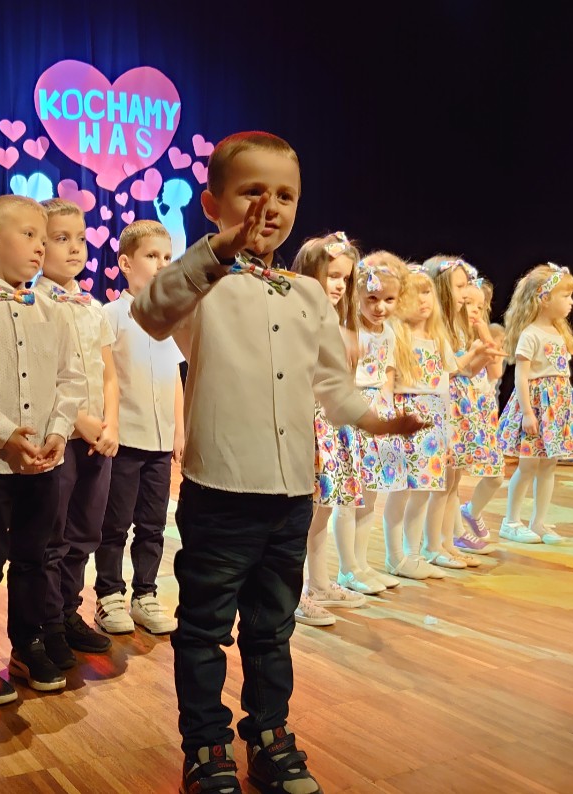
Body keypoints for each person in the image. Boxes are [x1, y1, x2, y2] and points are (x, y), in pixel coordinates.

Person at [131, 131, 423, 794]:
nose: (270, 206)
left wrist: (378, 420)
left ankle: (268, 736)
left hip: (291, 492)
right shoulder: (200, 283)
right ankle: (205, 747)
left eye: (285, 195)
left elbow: (333, 385)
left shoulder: (308, 295)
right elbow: (150, 312)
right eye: (252, 191)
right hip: (221, 491)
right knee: (204, 629)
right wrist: (218, 251)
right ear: (213, 203)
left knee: (272, 628)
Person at [0, 194, 84, 704]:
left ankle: (29, 643)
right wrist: (6, 434)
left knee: (33, 559)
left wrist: (58, 431)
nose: (40, 246)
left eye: (43, 238)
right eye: (30, 235)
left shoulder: (55, 313)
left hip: (45, 464)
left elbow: (71, 379)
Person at [36, 198, 119, 665]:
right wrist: (81, 422)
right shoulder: (33, 304)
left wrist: (111, 424)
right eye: (61, 238)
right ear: (38, 244)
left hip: (97, 440)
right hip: (60, 439)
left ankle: (69, 612)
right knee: (53, 535)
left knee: (86, 531)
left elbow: (109, 374)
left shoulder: (93, 307)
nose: (74, 248)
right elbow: (41, 379)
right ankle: (47, 624)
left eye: (80, 239)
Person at [93, 219, 184, 636]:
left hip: (161, 442)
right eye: (152, 256)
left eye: (167, 256)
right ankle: (109, 594)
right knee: (114, 524)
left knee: (153, 524)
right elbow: (104, 378)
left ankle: (145, 593)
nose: (162, 264)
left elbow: (175, 377)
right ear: (126, 263)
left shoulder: (172, 319)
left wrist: (179, 430)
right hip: (124, 441)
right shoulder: (110, 316)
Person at [290, 232, 369, 627]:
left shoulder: (339, 322)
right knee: (303, 513)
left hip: (331, 424)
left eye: (345, 278)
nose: (339, 285)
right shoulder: (298, 318)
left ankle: (319, 583)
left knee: (323, 509)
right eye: (332, 275)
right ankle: (294, 593)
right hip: (307, 420)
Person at [329, 253, 408, 594]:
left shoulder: (388, 332)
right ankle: (347, 568)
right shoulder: (349, 329)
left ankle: (362, 564)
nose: (380, 307)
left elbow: (387, 370)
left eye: (389, 300)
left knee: (371, 496)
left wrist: (386, 404)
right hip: (352, 413)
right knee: (349, 498)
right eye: (372, 298)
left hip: (376, 413)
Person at [497, 264, 573, 544]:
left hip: (558, 405)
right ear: (544, 298)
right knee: (527, 466)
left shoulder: (558, 332)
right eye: (566, 296)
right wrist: (527, 412)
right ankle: (511, 521)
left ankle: (539, 521)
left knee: (549, 466)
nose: (571, 302)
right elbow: (521, 377)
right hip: (537, 405)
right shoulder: (531, 334)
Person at [379, 265, 461, 579]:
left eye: (427, 292)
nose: (423, 300)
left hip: (433, 421)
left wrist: (448, 433)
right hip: (407, 416)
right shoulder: (395, 337)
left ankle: (414, 554)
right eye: (414, 295)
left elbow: (445, 390)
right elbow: (387, 383)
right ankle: (395, 556)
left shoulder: (439, 339)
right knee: (401, 491)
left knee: (425, 490)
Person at [419, 257, 499, 569]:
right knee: (441, 484)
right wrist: (472, 354)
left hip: (462, 404)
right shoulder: (436, 328)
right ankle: (432, 545)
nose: (467, 292)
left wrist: (482, 352)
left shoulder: (459, 325)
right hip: (445, 403)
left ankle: (447, 543)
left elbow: (469, 371)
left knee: (452, 483)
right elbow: (449, 369)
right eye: (461, 286)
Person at [453, 279, 505, 554]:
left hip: (483, 409)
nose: (475, 310)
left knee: (495, 475)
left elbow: (495, 371)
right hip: (460, 406)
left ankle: (470, 512)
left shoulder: (480, 335)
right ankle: (453, 534)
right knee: (451, 479)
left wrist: (485, 336)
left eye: (481, 306)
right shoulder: (453, 337)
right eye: (468, 303)